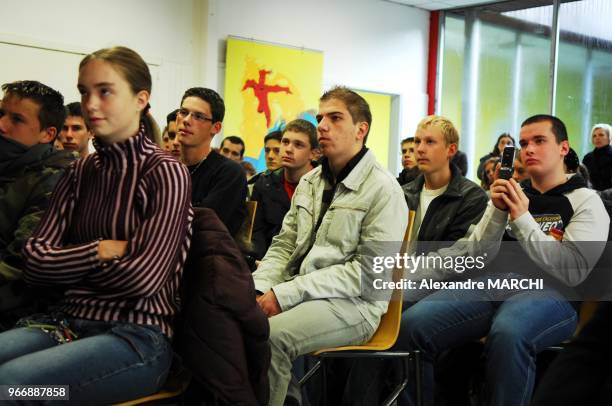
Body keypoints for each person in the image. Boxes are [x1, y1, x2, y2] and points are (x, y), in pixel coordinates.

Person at [0, 46, 193, 404]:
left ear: (140, 99)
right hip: (66, 325)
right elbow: (35, 262)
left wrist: (69, 267)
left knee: (13, 388)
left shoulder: (165, 172)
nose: (90, 103)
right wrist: (100, 250)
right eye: (84, 92)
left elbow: (143, 279)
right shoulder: (80, 171)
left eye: (105, 91)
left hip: (136, 340)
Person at [397, 114, 609, 406]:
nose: (529, 149)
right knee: (412, 326)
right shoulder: (512, 192)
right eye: (523, 143)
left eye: (539, 141)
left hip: (552, 294)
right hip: (493, 285)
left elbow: (572, 271)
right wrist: (496, 213)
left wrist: (522, 219)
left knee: (509, 334)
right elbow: (476, 254)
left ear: (563, 148)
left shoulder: (586, 200)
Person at [252, 87, 408, 406]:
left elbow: (367, 275)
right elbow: (283, 245)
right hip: (304, 292)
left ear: (360, 130)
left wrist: (285, 294)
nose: (322, 125)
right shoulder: (310, 182)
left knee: (270, 338)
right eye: (321, 117)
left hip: (357, 305)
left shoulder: (384, 190)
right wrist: (260, 288)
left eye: (335, 118)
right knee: (233, 322)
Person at [0, 80, 76, 329]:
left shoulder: (55, 179)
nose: (2, 125)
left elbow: (19, 264)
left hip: (19, 312)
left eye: (17, 120)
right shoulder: (9, 166)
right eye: (1, 114)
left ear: (48, 134)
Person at [177, 87, 247, 236]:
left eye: (198, 116)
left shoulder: (230, 173)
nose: (186, 120)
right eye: (183, 112)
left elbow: (203, 228)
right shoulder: (167, 167)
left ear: (216, 128)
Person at [250, 118, 319, 259]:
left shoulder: (325, 185)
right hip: (268, 263)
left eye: (298, 145)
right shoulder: (263, 184)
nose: (288, 149)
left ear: (313, 153)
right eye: (285, 142)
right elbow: (256, 233)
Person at [582, 123, 612, 191]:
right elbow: (583, 179)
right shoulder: (588, 157)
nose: (597, 138)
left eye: (601, 135)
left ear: (609, 137)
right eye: (594, 136)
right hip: (590, 195)